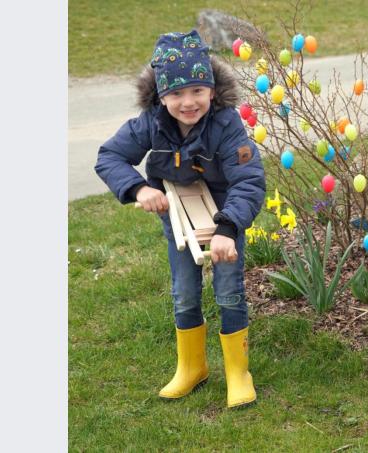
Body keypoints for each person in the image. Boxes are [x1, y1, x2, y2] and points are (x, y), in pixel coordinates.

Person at [95, 29, 265, 409]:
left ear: (211, 90)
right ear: (160, 95)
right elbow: (109, 157)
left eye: (197, 91)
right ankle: (192, 366)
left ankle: (238, 372)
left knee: (228, 291)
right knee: (184, 293)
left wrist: (227, 228)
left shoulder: (226, 125)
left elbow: (249, 180)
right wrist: (139, 189)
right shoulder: (150, 124)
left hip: (224, 220)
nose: (188, 102)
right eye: (175, 94)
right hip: (180, 221)